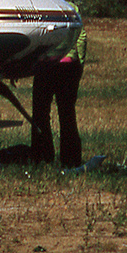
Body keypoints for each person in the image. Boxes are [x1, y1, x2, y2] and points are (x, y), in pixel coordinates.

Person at [30, 22, 86, 168]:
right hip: (67, 66)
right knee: (66, 113)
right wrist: (79, 61)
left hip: (48, 65)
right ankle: (70, 159)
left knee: (41, 113)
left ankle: (42, 156)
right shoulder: (71, 8)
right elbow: (81, 37)